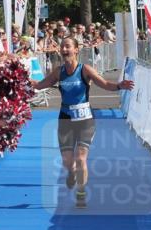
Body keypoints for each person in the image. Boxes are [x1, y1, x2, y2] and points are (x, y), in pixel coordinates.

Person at [31, 36, 134, 207]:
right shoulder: (58, 72)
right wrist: (25, 82)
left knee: (80, 158)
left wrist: (119, 86)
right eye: (62, 47)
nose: (64, 50)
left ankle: (81, 192)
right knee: (67, 161)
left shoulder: (85, 69)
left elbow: (104, 84)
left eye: (68, 46)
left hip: (85, 119)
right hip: (65, 119)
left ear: (76, 50)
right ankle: (71, 173)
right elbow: (41, 85)